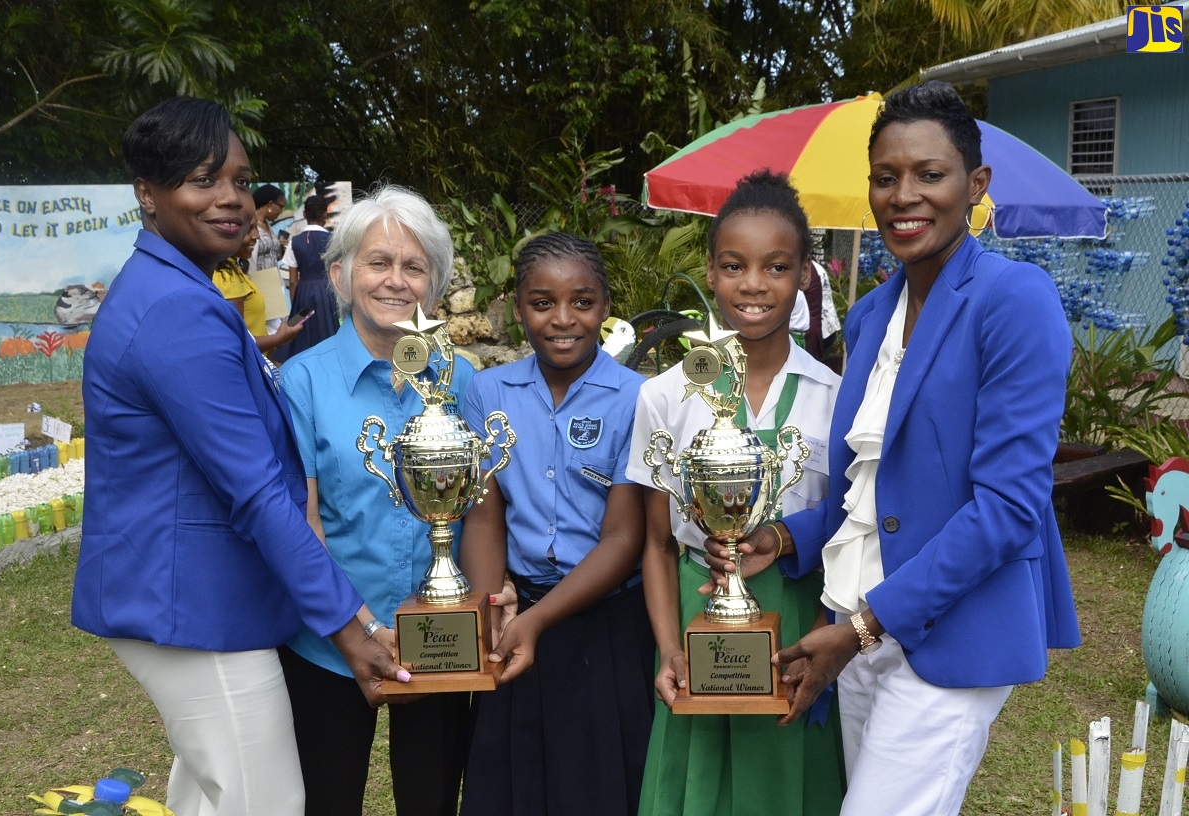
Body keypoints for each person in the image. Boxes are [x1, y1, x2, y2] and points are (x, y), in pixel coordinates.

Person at [705, 82, 1081, 815]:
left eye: (929, 175)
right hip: (860, 624)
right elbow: (868, 488)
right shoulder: (875, 312)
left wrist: (867, 625)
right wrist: (781, 537)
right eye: (886, 177)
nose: (904, 195)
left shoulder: (1014, 301)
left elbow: (1007, 508)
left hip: (951, 635)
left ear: (976, 186)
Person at [72, 96, 404, 816]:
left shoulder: (178, 290)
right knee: (265, 804)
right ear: (148, 194)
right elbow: (254, 492)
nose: (232, 200)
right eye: (201, 180)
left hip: (196, 602)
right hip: (193, 607)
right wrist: (352, 624)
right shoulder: (175, 309)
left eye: (239, 179)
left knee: (210, 800)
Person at [626, 170, 846, 816]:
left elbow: (845, 530)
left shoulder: (833, 397)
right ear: (711, 271)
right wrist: (670, 651)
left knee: (784, 785)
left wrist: (825, 640)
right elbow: (657, 543)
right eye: (734, 265)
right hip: (701, 623)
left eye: (776, 267)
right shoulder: (663, 395)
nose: (754, 285)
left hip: (798, 623)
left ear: (804, 275)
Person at [278, 185, 471, 816]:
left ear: (434, 286)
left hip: (443, 637)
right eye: (377, 262)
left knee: (434, 799)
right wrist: (359, 628)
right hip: (331, 641)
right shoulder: (299, 382)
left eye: (414, 267)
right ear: (339, 274)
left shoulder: (461, 378)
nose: (395, 281)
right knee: (327, 801)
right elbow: (302, 521)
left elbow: (482, 506)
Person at [458, 233, 655, 816]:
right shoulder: (488, 390)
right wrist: (490, 605)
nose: (563, 319)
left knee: (597, 786)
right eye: (542, 303)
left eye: (583, 301)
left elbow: (624, 538)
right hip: (516, 613)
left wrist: (538, 622)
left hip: (606, 625)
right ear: (518, 307)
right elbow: (485, 514)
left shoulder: (637, 398)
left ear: (605, 305)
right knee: (512, 784)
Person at [214, 227, 302, 356]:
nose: (257, 236)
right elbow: (238, 342)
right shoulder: (226, 277)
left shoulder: (233, 268)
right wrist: (278, 338)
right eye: (248, 229)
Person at [273, 195, 339, 364]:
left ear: (304, 213)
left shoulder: (295, 242)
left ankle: (295, 366)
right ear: (325, 214)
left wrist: (297, 302)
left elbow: (293, 280)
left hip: (303, 293)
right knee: (328, 331)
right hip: (328, 293)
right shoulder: (334, 240)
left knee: (298, 333)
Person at [251, 183, 290, 334]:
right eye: (281, 206)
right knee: (268, 329)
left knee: (277, 327)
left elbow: (270, 254)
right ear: (270, 204)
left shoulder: (267, 225)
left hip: (274, 282)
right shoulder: (251, 224)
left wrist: (279, 248)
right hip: (259, 282)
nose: (281, 211)